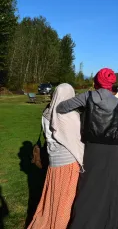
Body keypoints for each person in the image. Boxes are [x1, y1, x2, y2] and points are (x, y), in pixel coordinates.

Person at [57, 68, 118, 229]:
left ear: (97, 81)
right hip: (113, 152)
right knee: (110, 191)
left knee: (88, 189)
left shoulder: (87, 97)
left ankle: (82, 223)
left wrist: (80, 111)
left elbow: (62, 107)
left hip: (93, 149)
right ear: (112, 84)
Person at [28, 84, 84, 229]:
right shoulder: (69, 115)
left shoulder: (47, 111)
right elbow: (75, 140)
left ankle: (49, 217)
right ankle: (60, 223)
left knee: (54, 193)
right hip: (69, 160)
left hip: (53, 158)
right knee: (66, 199)